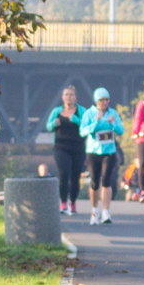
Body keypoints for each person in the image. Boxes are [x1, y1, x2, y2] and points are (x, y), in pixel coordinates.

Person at [79, 87, 125, 225]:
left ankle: (105, 211)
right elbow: (83, 131)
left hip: (109, 152)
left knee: (106, 181)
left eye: (106, 99)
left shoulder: (113, 113)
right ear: (96, 101)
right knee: (94, 182)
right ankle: (94, 211)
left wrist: (113, 123)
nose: (104, 102)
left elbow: (121, 130)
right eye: (101, 100)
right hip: (93, 152)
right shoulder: (89, 113)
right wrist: (96, 122)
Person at [44, 85, 88, 215]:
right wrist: (54, 123)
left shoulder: (82, 111)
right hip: (61, 148)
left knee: (75, 177)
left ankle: (72, 202)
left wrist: (75, 119)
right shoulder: (56, 111)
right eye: (66, 94)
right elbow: (48, 126)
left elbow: (86, 126)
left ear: (75, 97)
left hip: (78, 148)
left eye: (71, 95)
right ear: (62, 97)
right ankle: (63, 202)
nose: (69, 97)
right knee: (64, 173)